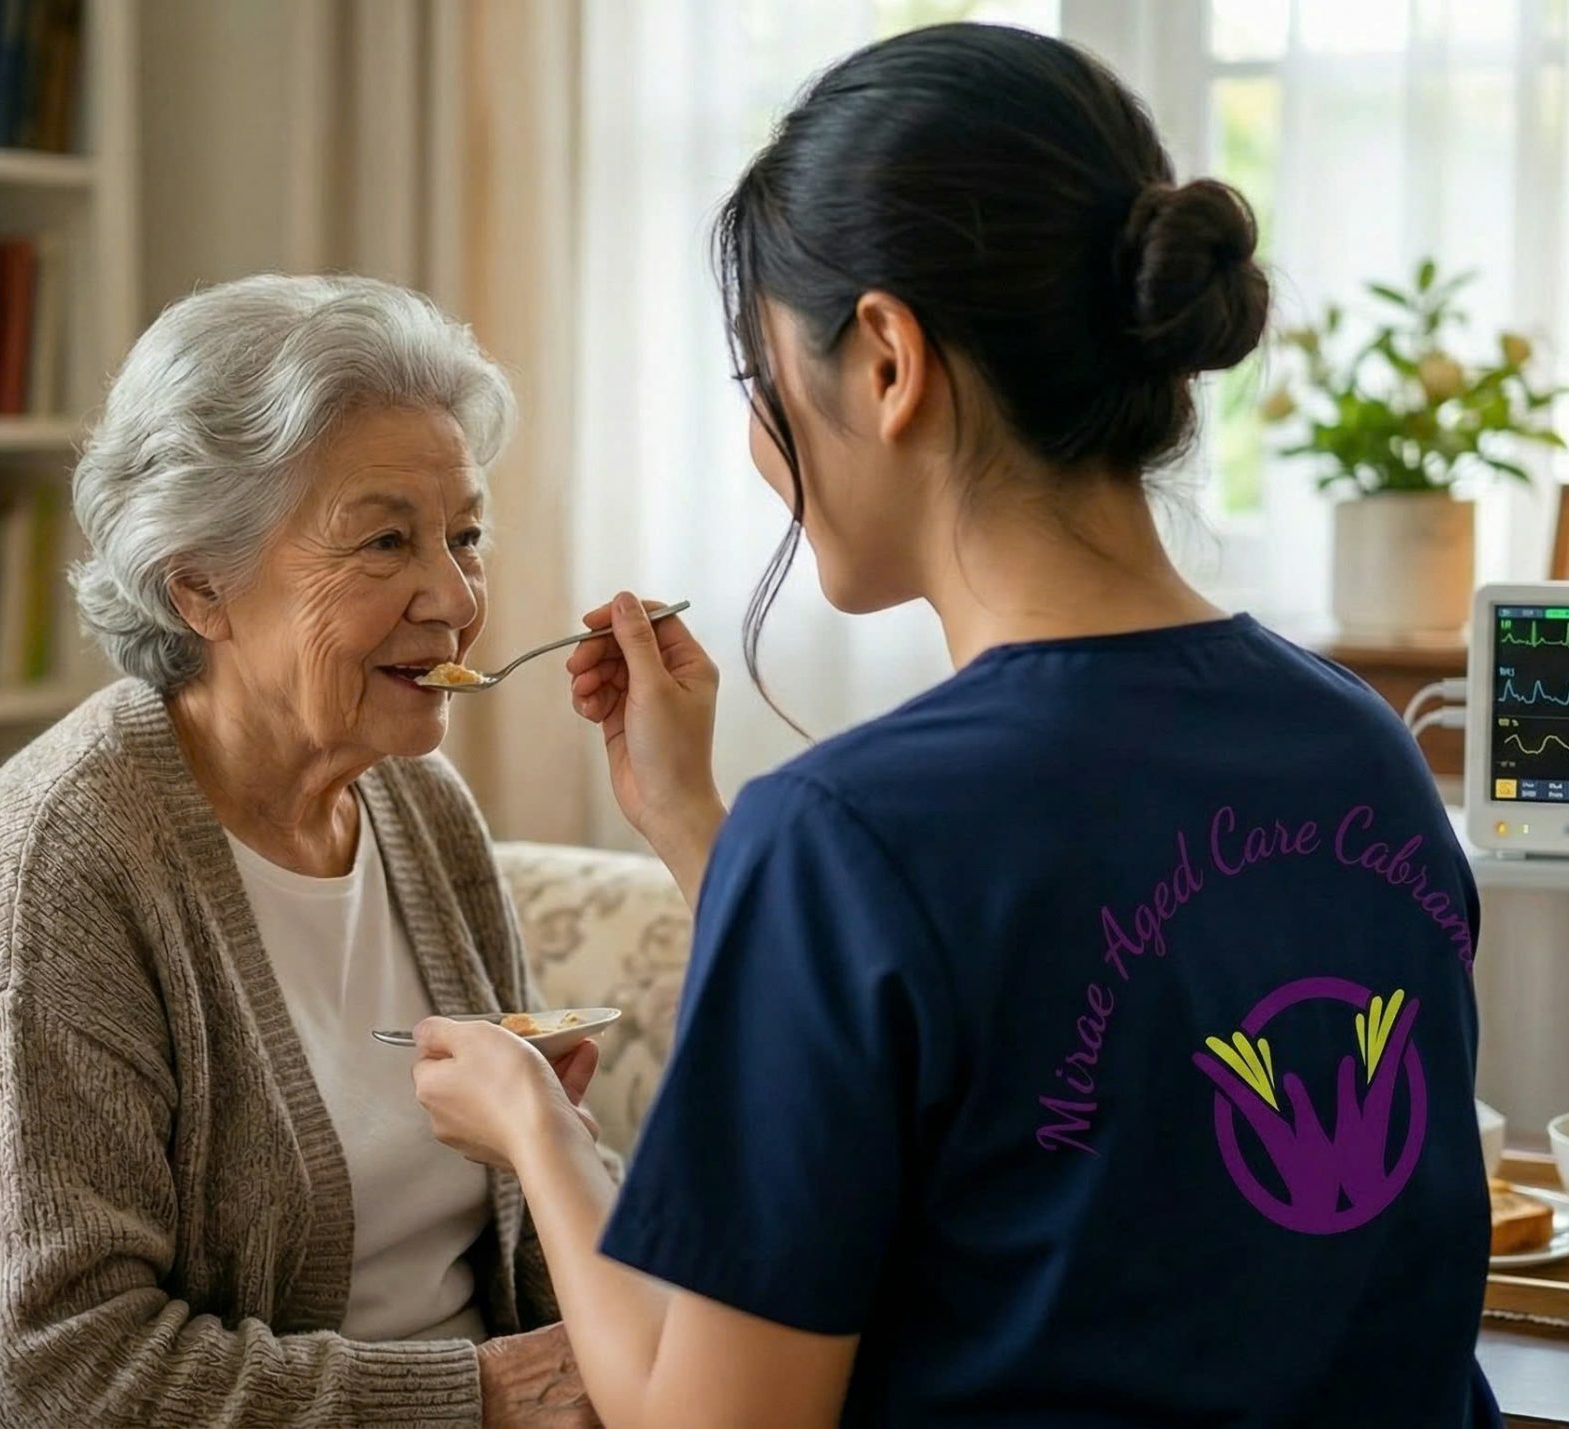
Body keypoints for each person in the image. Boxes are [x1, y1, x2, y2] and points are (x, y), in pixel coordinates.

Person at [410, 24, 1496, 1428]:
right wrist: (697, 827)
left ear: (884, 359)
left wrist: (540, 1135)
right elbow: (1030, 1077)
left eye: (760, 381)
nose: (758, 443)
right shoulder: (1366, 749)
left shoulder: (852, 837)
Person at [0, 275, 599, 1428]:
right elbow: (63, 1375)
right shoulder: (59, 872)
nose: (452, 595)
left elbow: (529, 1264)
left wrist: (563, 1170)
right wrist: (477, 1397)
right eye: (386, 540)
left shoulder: (422, 810)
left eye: (464, 535)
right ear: (200, 584)